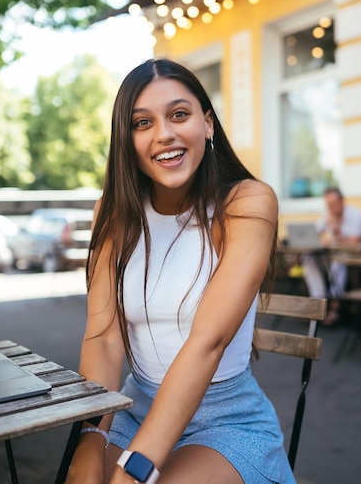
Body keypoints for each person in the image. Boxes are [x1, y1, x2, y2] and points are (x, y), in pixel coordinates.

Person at [65, 59, 295, 484]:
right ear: (127, 140)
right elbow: (103, 338)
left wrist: (134, 470)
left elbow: (209, 342)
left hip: (226, 419)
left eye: (179, 114)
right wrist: (90, 438)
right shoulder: (113, 214)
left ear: (207, 124)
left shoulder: (247, 203)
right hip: (133, 408)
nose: (164, 133)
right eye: (142, 122)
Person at [303, 187, 361, 325]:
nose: (331, 207)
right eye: (328, 204)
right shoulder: (327, 215)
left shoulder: (355, 215)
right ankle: (318, 304)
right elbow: (316, 233)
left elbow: (355, 242)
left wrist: (335, 229)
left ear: (342, 201)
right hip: (334, 256)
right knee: (309, 258)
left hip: (359, 261)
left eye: (333, 203)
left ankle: (335, 307)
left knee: (338, 261)